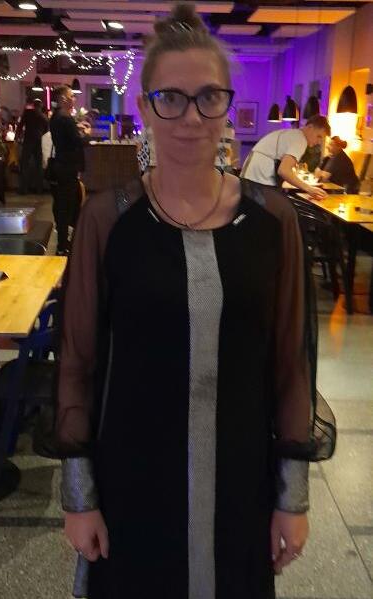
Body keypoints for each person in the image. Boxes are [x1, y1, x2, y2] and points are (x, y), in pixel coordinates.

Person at [57, 4, 333, 598]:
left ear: (227, 105)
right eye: (171, 98)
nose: (190, 117)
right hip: (132, 476)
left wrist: (292, 498)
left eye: (209, 97)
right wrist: (79, 497)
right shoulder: (108, 220)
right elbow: (78, 362)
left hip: (240, 477)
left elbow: (291, 363)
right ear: (144, 107)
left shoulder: (272, 219)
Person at [240, 114, 331, 200]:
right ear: (310, 127)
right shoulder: (300, 139)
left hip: (251, 177)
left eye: (321, 139)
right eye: (318, 136)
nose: (319, 142)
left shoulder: (293, 134)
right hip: (258, 181)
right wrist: (310, 189)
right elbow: (284, 171)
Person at [49, 85, 85, 255]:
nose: (74, 99)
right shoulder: (65, 118)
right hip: (68, 168)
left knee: (67, 204)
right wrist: (86, 134)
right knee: (66, 206)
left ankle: (67, 240)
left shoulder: (55, 117)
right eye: (71, 96)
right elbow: (77, 142)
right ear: (63, 99)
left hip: (60, 165)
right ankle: (63, 245)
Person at [16, 98, 48, 194]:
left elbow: (20, 125)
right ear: (41, 106)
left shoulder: (27, 113)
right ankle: (39, 189)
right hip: (39, 141)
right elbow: (47, 129)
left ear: (33, 105)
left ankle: (23, 189)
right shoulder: (43, 116)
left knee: (25, 164)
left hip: (28, 140)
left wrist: (17, 136)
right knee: (39, 165)